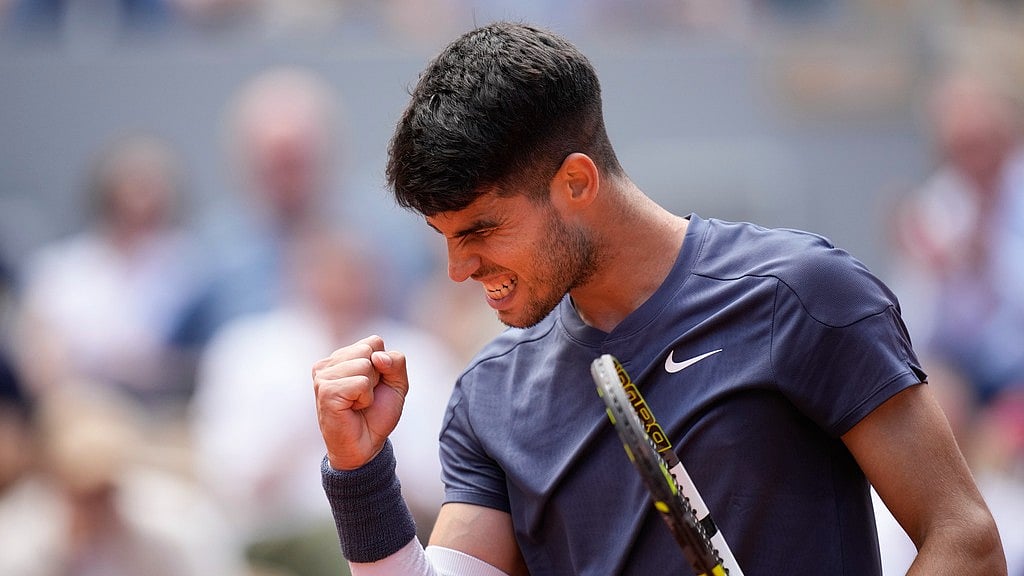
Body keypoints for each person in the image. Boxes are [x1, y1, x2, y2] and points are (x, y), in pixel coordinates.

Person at [311, 22, 1005, 575]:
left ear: (576, 183)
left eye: (482, 230)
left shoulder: (799, 295)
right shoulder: (489, 396)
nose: (459, 268)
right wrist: (360, 472)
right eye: (444, 237)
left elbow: (965, 541)